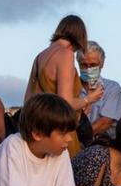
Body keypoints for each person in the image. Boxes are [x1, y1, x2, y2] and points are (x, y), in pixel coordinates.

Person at [27, 15, 104, 156]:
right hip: (59, 133)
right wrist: (89, 99)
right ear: (80, 36)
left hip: (39, 134)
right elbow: (65, 103)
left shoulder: (39, 57)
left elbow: (28, 99)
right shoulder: (66, 54)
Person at [77, 41, 121, 139]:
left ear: (101, 64)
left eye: (93, 65)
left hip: (99, 144)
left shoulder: (112, 88)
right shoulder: (70, 87)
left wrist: (79, 137)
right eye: (84, 65)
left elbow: (105, 122)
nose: (88, 69)